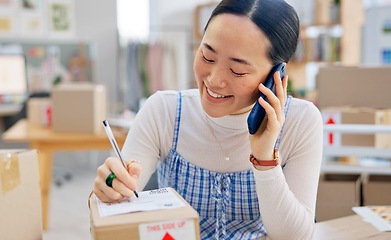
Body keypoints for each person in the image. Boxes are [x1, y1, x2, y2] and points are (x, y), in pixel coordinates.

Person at [93, 0, 323, 239]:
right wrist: (110, 188)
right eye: (207, 56)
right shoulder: (164, 111)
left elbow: (295, 237)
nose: (214, 80)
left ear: (276, 75)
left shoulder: (300, 121)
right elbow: (118, 205)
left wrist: (265, 160)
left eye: (237, 70)